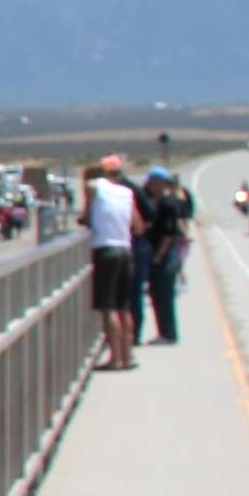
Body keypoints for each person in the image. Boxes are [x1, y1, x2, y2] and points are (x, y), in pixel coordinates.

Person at [85, 155, 140, 370]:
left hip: (105, 249)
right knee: (123, 308)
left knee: (108, 309)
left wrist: (89, 219)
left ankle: (115, 358)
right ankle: (129, 356)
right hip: (125, 249)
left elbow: (88, 216)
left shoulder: (93, 186)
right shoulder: (126, 192)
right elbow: (137, 224)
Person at [135, 166, 194, 345]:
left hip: (166, 254)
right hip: (164, 253)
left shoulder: (168, 204)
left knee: (163, 294)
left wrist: (158, 257)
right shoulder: (162, 201)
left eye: (153, 182)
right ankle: (166, 331)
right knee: (157, 294)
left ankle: (168, 333)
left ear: (161, 183)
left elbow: (168, 235)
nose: (149, 186)